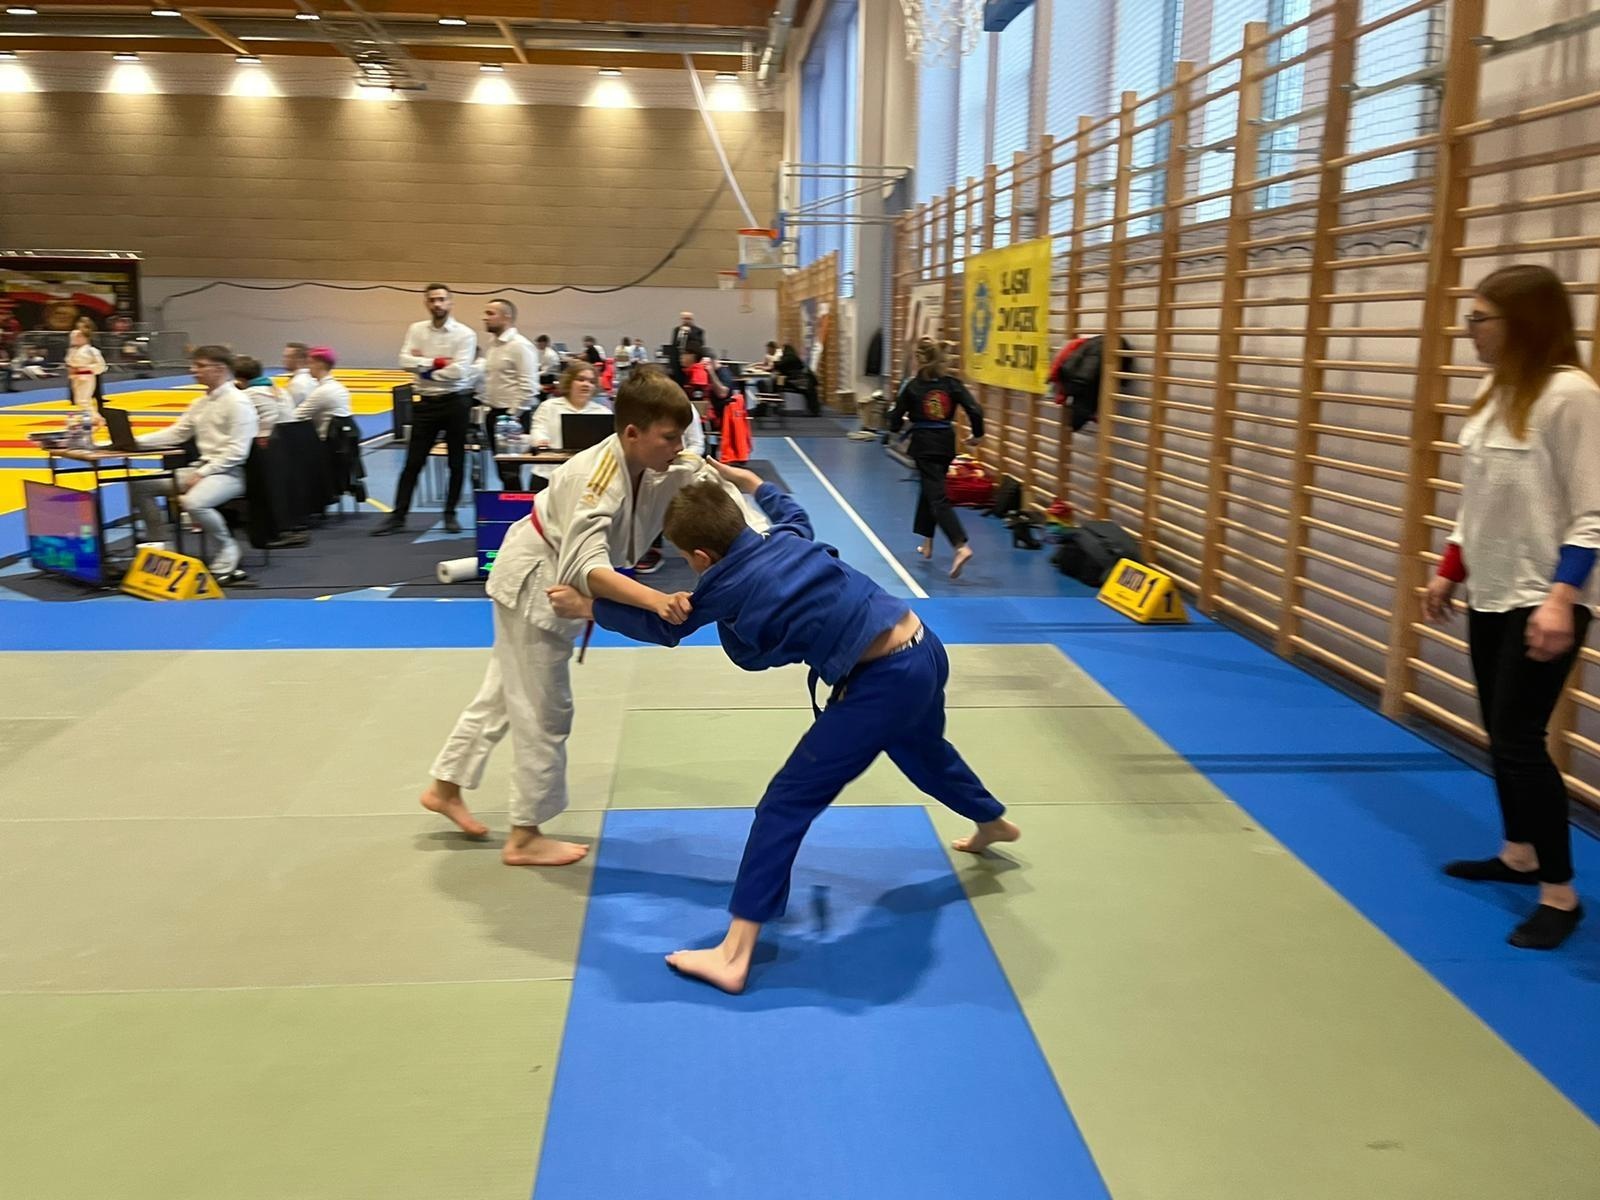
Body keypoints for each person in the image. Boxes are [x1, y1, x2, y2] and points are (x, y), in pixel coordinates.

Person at [547, 464, 1019, 994]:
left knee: (784, 804)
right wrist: (751, 483)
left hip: (884, 682)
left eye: (687, 558)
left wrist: (589, 605)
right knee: (923, 750)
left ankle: (734, 954)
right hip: (924, 646)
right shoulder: (786, 538)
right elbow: (790, 508)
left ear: (701, 557)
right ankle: (992, 821)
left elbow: (663, 627)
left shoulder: (723, 583)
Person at [417, 367, 767, 867]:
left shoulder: (669, 461)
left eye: (681, 436)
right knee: (544, 710)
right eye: (669, 437)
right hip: (538, 581)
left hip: (555, 577)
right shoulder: (594, 477)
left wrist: (766, 541)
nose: (679, 446)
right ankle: (525, 834)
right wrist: (655, 600)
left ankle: (445, 786)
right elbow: (587, 568)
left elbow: (718, 493)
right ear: (633, 433)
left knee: (504, 693)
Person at [1424, 264, 1600, 951]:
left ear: (1522, 323)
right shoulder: (1495, 390)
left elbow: (1593, 512)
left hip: (1544, 598)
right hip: (1493, 592)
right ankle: (1519, 853)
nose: (1470, 330)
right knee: (1501, 733)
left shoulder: (1572, 396)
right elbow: (1478, 501)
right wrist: (1450, 570)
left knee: (1521, 741)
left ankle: (1560, 894)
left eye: (1480, 319)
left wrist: (1561, 599)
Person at [130, 345, 258, 581]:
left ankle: (227, 548)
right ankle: (161, 545)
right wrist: (132, 442)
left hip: (231, 473)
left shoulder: (238, 403)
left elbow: (238, 452)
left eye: (200, 366)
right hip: (202, 468)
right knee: (140, 486)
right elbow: (176, 433)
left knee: (194, 502)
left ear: (220, 369)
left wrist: (204, 473)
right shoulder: (201, 403)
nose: (193, 370)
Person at [374, 284, 478, 537]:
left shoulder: (465, 334)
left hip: (455, 402)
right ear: (426, 303)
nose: (437, 304)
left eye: (441, 299)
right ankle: (398, 516)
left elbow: (459, 372)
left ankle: (450, 514)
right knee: (413, 462)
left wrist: (424, 369)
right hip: (426, 403)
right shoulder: (416, 330)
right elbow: (404, 361)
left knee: (456, 462)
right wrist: (438, 362)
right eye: (432, 300)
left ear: (450, 302)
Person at [889, 338, 985, 579]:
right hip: (945, 444)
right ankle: (927, 542)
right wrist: (977, 434)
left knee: (936, 496)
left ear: (919, 360)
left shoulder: (912, 387)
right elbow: (975, 409)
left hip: (924, 446)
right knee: (929, 489)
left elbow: (894, 419)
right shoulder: (952, 385)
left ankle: (960, 545)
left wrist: (895, 426)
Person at [477, 298, 539, 491]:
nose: (484, 317)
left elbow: (529, 387)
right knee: (502, 472)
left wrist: (511, 417)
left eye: (490, 313)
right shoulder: (494, 345)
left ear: (506, 317)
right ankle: (510, 506)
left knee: (510, 472)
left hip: (512, 417)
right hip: (494, 414)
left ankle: (517, 507)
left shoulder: (520, 346)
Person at [527, 361, 616, 488]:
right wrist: (541, 441)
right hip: (547, 475)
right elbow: (538, 429)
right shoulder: (549, 406)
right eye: (581, 379)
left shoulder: (603, 412)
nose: (586, 384)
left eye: (591, 382)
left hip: (586, 478)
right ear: (569, 382)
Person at [295, 346, 352, 438]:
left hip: (325, 441)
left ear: (320, 364)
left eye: (310, 363)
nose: (308, 368)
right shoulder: (339, 387)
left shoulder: (324, 391)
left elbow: (296, 415)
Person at [233, 355, 292, 437]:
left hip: (265, 440)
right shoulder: (282, 391)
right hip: (289, 438)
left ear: (239, 380)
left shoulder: (247, 395)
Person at [64, 327, 106, 426]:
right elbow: (69, 362)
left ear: (85, 338)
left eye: (78, 336)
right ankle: (89, 417)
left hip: (87, 376)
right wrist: (70, 368)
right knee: (79, 400)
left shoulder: (92, 350)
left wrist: (85, 368)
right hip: (75, 377)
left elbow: (101, 365)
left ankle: (96, 418)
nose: (74, 339)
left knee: (84, 399)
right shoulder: (72, 350)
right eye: (73, 336)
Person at [282, 342, 315, 407]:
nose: (284, 360)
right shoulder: (313, 378)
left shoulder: (297, 383)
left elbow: (289, 408)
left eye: (288, 357)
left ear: (299, 359)